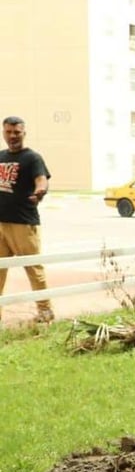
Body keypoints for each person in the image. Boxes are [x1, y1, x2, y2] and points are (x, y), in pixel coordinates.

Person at [0, 116, 53, 324]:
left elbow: (41, 180)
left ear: (24, 133)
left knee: (33, 268)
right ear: (4, 133)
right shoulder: (1, 156)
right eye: (9, 132)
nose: (12, 136)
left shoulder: (32, 158)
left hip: (24, 223)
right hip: (1, 223)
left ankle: (45, 310)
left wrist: (40, 192)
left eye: (17, 132)